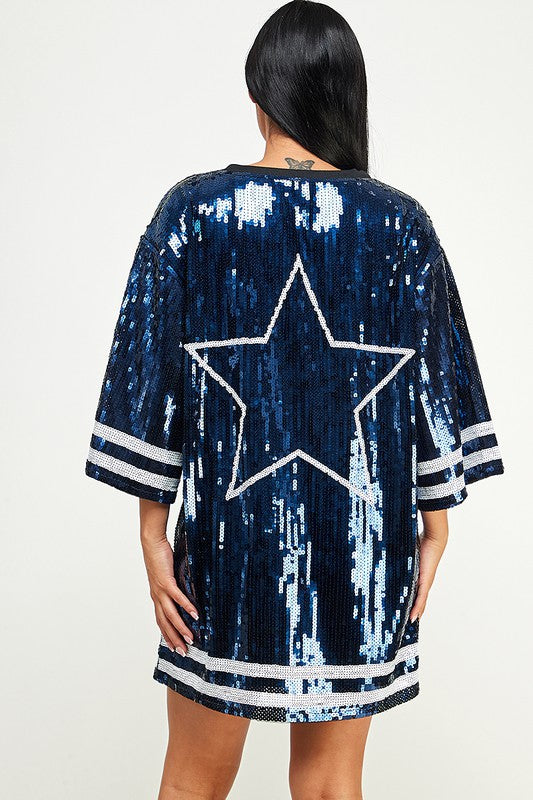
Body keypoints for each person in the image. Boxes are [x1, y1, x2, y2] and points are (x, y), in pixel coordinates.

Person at [85, 2, 504, 798]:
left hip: (228, 549)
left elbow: (148, 383)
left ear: (259, 92)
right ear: (348, 94)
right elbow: (435, 394)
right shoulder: (400, 225)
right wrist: (435, 527)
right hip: (362, 547)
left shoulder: (194, 213)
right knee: (329, 785)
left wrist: (151, 535)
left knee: (193, 779)